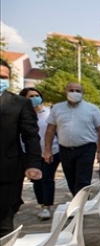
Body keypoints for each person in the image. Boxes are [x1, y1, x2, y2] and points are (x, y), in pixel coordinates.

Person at [0, 59, 42, 246]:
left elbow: (30, 135)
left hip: (7, 171)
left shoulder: (18, 104)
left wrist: (33, 163)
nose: (1, 80)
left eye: (4, 77)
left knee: (4, 221)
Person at [44, 82, 100, 196]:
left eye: (78, 91)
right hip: (65, 149)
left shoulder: (92, 109)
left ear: (83, 93)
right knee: (70, 178)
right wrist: (47, 150)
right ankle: (78, 201)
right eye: (71, 90)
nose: (74, 93)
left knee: (83, 180)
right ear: (65, 92)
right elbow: (50, 130)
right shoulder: (57, 108)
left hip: (86, 148)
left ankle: (80, 207)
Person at [19, 87, 59, 220]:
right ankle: (41, 204)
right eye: (30, 96)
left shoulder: (49, 113)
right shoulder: (20, 115)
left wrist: (49, 150)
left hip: (51, 151)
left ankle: (47, 207)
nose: (35, 98)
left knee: (47, 178)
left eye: (37, 95)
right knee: (36, 179)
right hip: (30, 154)